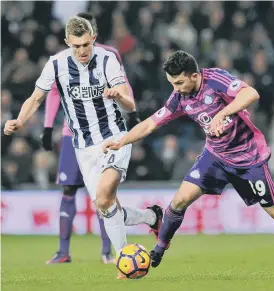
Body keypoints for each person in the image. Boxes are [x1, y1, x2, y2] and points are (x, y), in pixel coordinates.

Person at [102, 50, 274, 277]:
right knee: (178, 201)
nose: (175, 89)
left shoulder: (215, 79)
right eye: (172, 84)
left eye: (179, 83)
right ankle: (159, 251)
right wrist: (122, 141)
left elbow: (251, 93)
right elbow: (150, 124)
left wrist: (223, 113)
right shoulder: (179, 98)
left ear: (194, 76)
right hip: (215, 157)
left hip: (248, 158)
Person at [3, 16, 162, 279]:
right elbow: (36, 97)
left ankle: (124, 259)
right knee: (107, 206)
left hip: (114, 138)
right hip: (83, 147)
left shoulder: (108, 59)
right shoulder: (56, 64)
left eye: (86, 44)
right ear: (67, 43)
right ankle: (151, 218)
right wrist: (20, 121)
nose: (82, 51)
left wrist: (118, 95)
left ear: (94, 40)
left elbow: (131, 105)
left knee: (104, 195)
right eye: (76, 46)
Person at [41, 12, 157, 266]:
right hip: (74, 137)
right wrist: (48, 127)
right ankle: (63, 251)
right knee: (70, 190)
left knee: (105, 198)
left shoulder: (108, 55)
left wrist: (133, 113)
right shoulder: (61, 63)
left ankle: (109, 251)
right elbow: (51, 94)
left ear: (92, 33)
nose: (82, 45)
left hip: (107, 135)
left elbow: (124, 86)